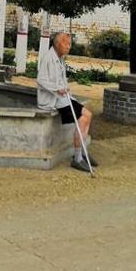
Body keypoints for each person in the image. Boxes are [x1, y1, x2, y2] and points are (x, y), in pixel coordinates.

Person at [37, 32, 98, 173]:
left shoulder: (60, 58)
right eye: (67, 44)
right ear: (58, 44)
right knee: (83, 119)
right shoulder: (48, 58)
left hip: (64, 98)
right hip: (55, 101)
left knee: (87, 115)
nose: (69, 47)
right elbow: (41, 80)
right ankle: (77, 158)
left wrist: (64, 87)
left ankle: (82, 152)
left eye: (70, 44)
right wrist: (57, 88)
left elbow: (61, 79)